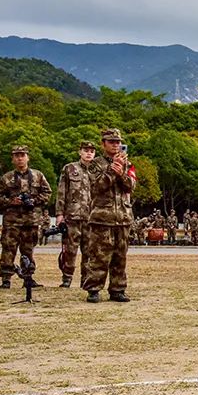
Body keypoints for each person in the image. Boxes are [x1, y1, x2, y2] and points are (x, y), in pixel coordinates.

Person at [83, 129, 135, 303]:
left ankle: (118, 289)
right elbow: (95, 187)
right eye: (111, 141)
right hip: (102, 217)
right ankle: (93, 289)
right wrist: (112, 171)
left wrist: (121, 174)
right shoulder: (95, 164)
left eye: (117, 142)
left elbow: (131, 186)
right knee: (99, 256)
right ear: (103, 144)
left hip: (122, 217)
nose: (115, 145)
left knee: (120, 257)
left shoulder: (127, 163)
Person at [0, 146, 51, 289]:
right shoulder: (6, 178)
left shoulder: (38, 176)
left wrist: (35, 200)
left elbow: (47, 193)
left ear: (28, 157)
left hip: (31, 220)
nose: (20, 158)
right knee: (8, 249)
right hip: (12, 221)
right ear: (13, 159)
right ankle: (6, 279)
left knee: (28, 250)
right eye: (17, 156)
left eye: (23, 155)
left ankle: (28, 278)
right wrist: (11, 201)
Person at [55, 141, 96, 288]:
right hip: (72, 216)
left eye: (91, 151)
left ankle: (86, 279)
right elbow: (61, 191)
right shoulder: (70, 168)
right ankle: (67, 278)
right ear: (80, 152)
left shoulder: (98, 170)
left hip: (92, 218)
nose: (88, 153)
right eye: (86, 150)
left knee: (89, 251)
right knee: (70, 250)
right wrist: (59, 213)